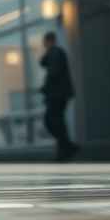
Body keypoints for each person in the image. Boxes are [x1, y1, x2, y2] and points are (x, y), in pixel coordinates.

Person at [40, 32, 78, 161]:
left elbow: (53, 72)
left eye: (44, 42)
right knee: (56, 122)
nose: (43, 45)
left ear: (49, 40)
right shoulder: (54, 53)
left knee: (52, 121)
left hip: (57, 94)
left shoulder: (56, 53)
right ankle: (66, 148)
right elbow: (43, 63)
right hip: (58, 94)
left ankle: (67, 148)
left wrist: (46, 87)